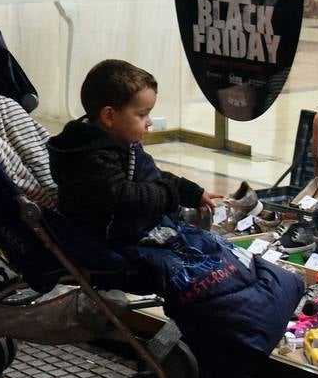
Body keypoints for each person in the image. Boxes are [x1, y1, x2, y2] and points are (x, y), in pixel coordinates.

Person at [47, 59, 221, 246]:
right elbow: (123, 197)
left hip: (133, 230)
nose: (149, 121)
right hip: (105, 242)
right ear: (109, 116)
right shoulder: (91, 159)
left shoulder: (120, 144)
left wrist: (192, 193)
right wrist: (169, 196)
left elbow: (151, 175)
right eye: (142, 114)